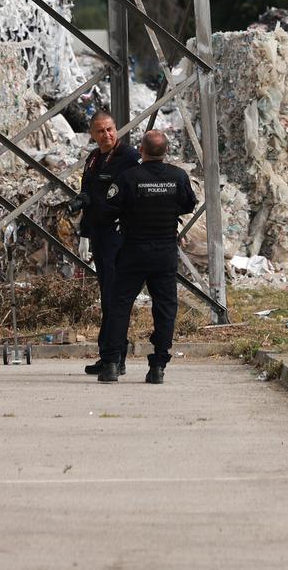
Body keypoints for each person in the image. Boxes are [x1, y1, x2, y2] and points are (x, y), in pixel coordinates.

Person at [98, 129, 196, 384]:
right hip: (164, 252)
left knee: (120, 306)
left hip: (133, 251)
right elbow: (188, 204)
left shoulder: (129, 177)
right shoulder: (178, 176)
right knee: (165, 308)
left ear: (141, 150)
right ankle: (158, 367)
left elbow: (109, 208)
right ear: (165, 152)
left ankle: (110, 364)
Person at [78, 111, 141, 377]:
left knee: (115, 298)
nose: (107, 135)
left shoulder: (128, 157)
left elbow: (135, 193)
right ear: (92, 134)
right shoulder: (93, 159)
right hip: (100, 235)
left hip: (119, 236)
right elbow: (86, 194)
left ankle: (116, 357)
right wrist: (84, 232)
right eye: (101, 131)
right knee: (107, 297)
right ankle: (108, 355)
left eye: (111, 129)